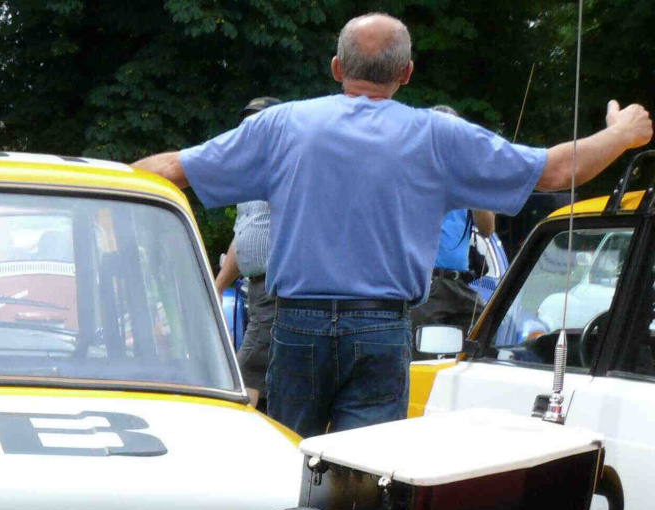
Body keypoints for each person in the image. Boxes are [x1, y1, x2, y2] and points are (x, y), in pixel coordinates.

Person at [133, 13, 652, 436]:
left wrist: (99, 190)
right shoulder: (437, 136)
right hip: (381, 328)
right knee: (366, 482)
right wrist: (622, 134)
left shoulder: (282, 125)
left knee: (291, 468)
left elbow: (172, 168)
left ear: (337, 67)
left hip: (295, 326)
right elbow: (556, 171)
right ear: (406, 73)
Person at [213, 97, 280, 409]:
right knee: (266, 375)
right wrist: (218, 286)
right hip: (256, 289)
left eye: (257, 123)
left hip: (278, 288)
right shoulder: (249, 179)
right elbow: (243, 238)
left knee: (245, 372)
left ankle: (236, 433)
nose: (248, 131)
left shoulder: (288, 172)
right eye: (246, 124)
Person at [414, 105, 497, 335]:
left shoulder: (465, 177)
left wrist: (475, 186)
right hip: (428, 282)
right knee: (423, 350)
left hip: (460, 283)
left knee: (484, 336)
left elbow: (487, 229)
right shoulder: (416, 171)